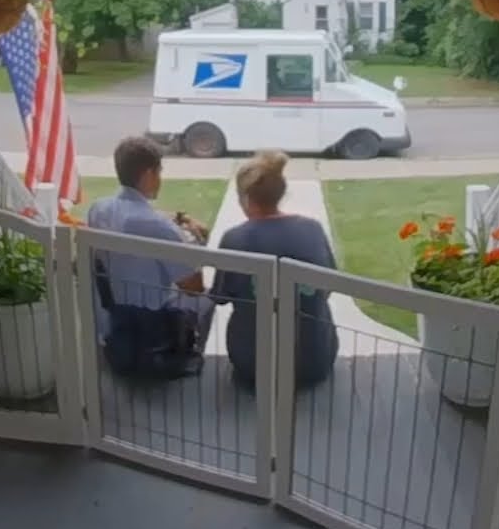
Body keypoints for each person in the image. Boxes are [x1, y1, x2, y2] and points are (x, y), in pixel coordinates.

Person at [87, 137, 214, 378]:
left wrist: (178, 218)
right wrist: (193, 243)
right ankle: (185, 356)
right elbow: (193, 287)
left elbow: (135, 219)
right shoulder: (159, 228)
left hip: (114, 319)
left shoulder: (99, 210)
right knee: (207, 299)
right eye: (159, 172)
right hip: (152, 327)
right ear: (149, 174)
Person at [211, 150, 338, 390]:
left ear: (246, 199)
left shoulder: (234, 239)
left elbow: (220, 297)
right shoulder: (312, 230)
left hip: (254, 367)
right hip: (314, 363)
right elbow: (328, 287)